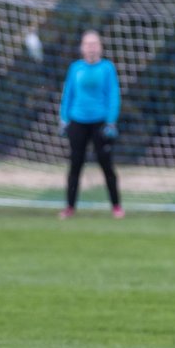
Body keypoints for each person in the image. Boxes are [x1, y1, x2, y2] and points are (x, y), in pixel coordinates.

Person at [58, 29, 123, 219]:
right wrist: (64, 119)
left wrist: (111, 121)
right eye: (88, 44)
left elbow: (113, 95)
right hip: (77, 121)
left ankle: (116, 206)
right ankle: (70, 207)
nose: (91, 48)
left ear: (100, 47)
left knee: (107, 165)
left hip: (101, 123)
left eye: (94, 44)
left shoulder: (107, 68)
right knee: (75, 165)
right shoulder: (75, 68)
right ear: (82, 48)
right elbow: (67, 94)